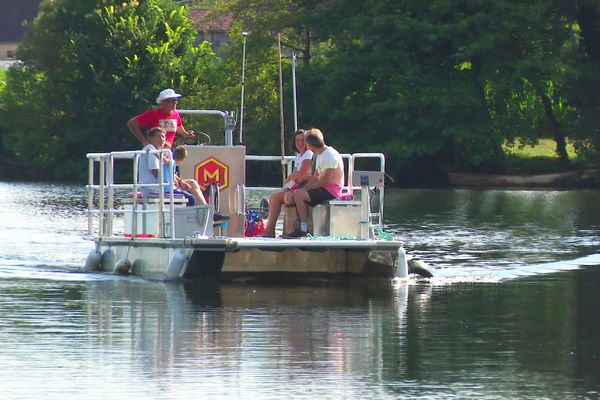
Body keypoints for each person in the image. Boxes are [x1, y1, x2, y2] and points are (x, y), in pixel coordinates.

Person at [291, 128, 344, 237]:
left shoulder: (330, 155)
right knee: (297, 193)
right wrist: (304, 188)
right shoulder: (320, 155)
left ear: (310, 145)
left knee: (299, 195)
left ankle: (304, 229)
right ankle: (301, 225)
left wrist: (305, 190)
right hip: (323, 188)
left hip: (332, 190)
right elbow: (315, 177)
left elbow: (326, 180)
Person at [260, 130, 313, 237]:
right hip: (297, 186)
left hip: (305, 187)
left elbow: (302, 172)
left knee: (277, 198)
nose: (299, 143)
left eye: (302, 140)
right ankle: (273, 229)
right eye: (297, 140)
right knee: (275, 197)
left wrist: (289, 178)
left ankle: (273, 230)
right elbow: (296, 173)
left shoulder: (308, 154)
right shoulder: (299, 156)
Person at [127, 88, 195, 149]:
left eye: (175, 100)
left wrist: (186, 134)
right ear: (163, 102)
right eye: (171, 100)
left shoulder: (175, 114)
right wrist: (144, 141)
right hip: (154, 152)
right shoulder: (153, 114)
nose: (175, 102)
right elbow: (132, 123)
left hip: (167, 154)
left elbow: (178, 126)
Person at [137, 127, 168, 198]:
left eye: (163, 137)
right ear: (150, 138)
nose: (161, 139)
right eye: (158, 136)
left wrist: (180, 181)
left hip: (156, 187)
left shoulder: (159, 151)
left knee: (191, 184)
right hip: (152, 188)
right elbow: (155, 172)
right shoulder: (150, 149)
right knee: (190, 197)